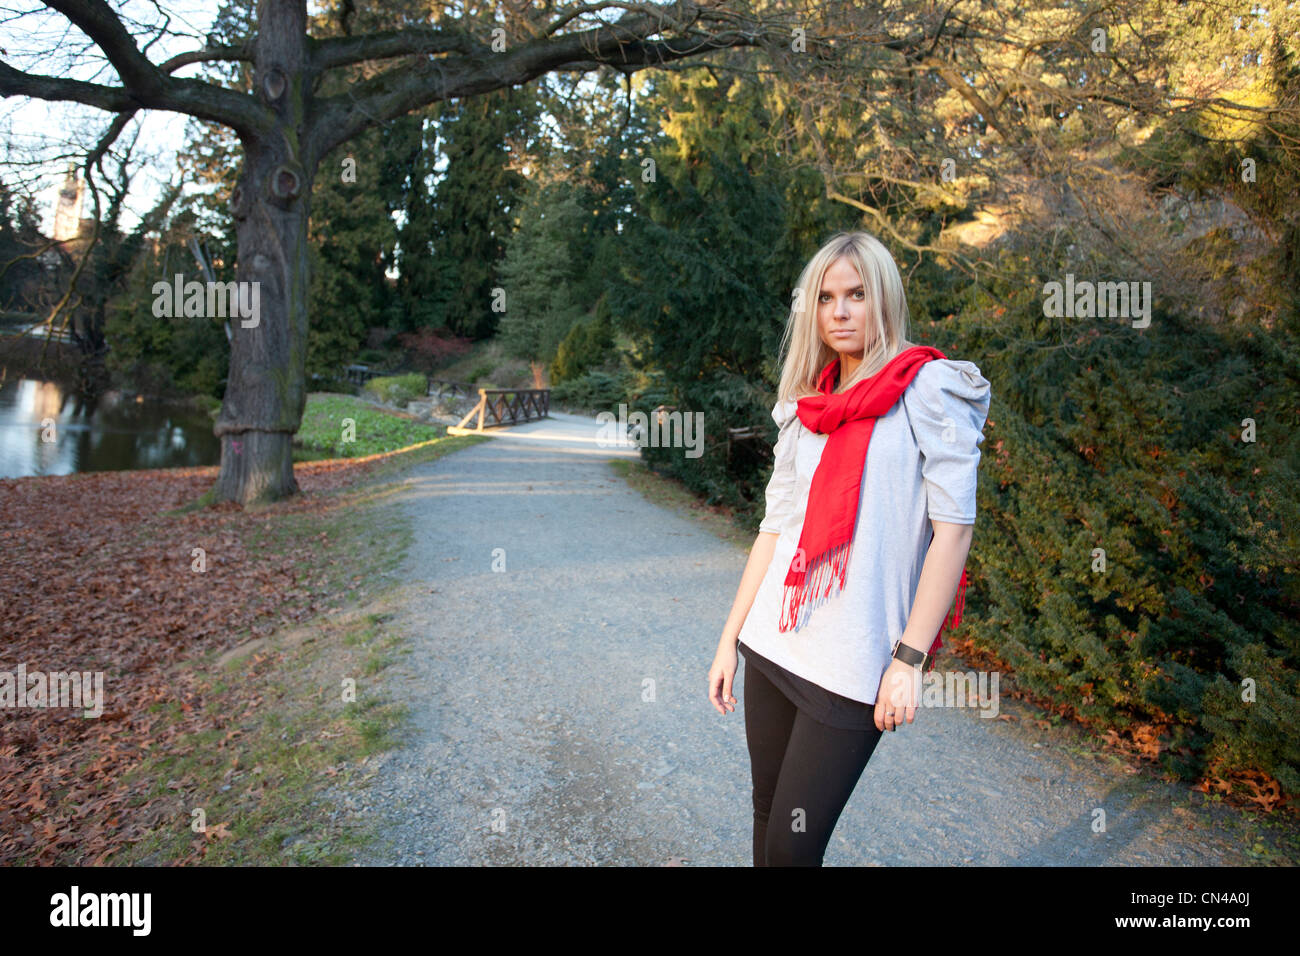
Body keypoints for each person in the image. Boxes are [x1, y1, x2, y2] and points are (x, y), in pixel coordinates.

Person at [707, 230, 992, 866]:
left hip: (854, 662)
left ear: (883, 298)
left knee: (791, 848)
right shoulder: (807, 405)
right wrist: (729, 638)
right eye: (826, 297)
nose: (839, 310)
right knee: (765, 812)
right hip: (774, 645)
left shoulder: (929, 389)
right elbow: (774, 528)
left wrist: (910, 659)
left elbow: (954, 529)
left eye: (856, 294)